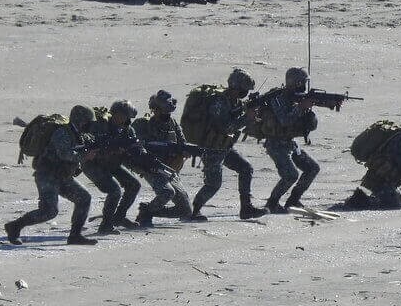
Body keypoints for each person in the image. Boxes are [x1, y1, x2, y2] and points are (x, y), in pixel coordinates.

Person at [5, 104, 98, 246]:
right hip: (47, 175)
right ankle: (15, 226)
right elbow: (65, 153)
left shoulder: (77, 134)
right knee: (49, 211)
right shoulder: (62, 132)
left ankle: (75, 235)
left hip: (62, 176)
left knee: (84, 198)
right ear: (80, 120)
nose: (88, 125)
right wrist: (85, 156)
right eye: (87, 122)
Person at [189, 69, 267, 221]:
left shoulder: (235, 102)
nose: (245, 92)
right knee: (213, 184)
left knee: (246, 169)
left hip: (224, 147)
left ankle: (246, 208)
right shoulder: (219, 102)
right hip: (212, 148)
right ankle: (195, 210)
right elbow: (224, 127)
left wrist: (252, 118)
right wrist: (246, 118)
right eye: (243, 89)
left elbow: (237, 124)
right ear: (235, 87)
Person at [260, 67, 321, 212]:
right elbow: (284, 120)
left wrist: (309, 110)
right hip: (275, 144)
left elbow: (311, 126)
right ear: (294, 83)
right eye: (302, 83)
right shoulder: (277, 98)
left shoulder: (297, 99)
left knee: (312, 168)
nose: (304, 87)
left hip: (289, 143)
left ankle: (293, 200)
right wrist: (301, 107)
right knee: (291, 175)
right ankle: (272, 203)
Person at [80, 100, 143, 234]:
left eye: (126, 116)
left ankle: (119, 217)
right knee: (114, 191)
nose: (125, 119)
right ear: (114, 114)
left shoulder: (127, 129)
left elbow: (134, 148)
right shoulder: (100, 126)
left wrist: (131, 151)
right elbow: (90, 147)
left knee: (134, 185)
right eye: (122, 115)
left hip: (113, 163)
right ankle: (106, 225)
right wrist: (110, 150)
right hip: (93, 165)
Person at [132, 90, 193, 225]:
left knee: (186, 210)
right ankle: (146, 214)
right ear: (154, 109)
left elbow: (182, 143)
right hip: (152, 168)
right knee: (167, 192)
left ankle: (147, 210)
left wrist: (185, 151)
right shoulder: (143, 124)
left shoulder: (172, 123)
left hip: (170, 168)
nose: (166, 114)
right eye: (163, 111)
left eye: (168, 111)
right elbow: (135, 146)